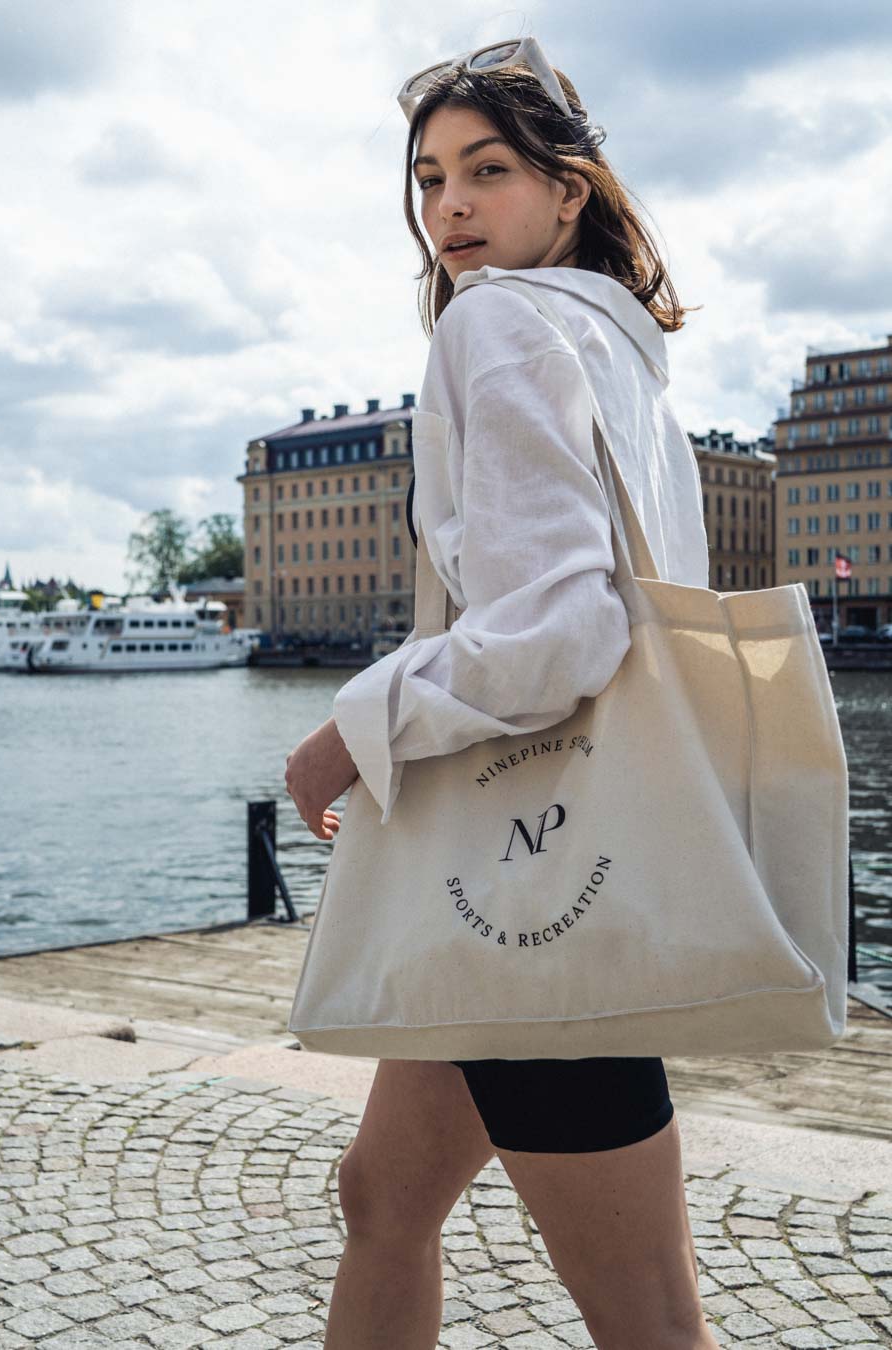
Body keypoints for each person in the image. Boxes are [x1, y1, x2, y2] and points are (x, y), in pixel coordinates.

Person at [284, 36, 717, 1350]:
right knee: (386, 1193)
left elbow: (556, 630)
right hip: (543, 852)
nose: (452, 207)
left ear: (568, 189)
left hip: (537, 873)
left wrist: (346, 736)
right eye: (427, 180)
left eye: (489, 171)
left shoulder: (498, 321)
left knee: (646, 1314)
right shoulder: (628, 358)